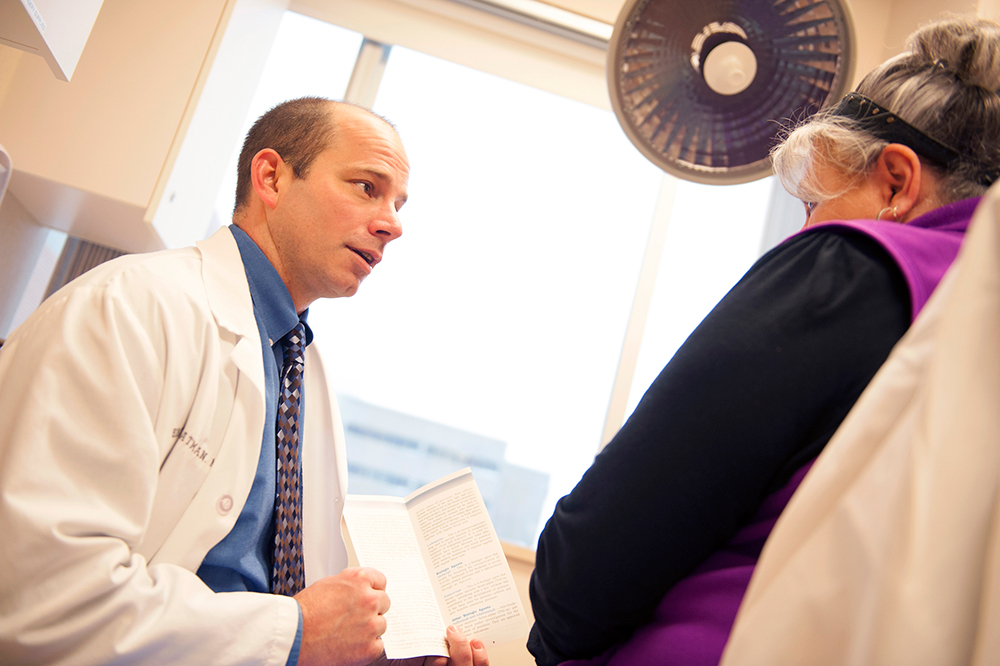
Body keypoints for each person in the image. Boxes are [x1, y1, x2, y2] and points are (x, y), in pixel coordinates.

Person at [527, 15, 1000, 666]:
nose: (798, 236)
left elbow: (594, 560)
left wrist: (551, 631)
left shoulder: (852, 267)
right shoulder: (973, 312)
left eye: (813, 204)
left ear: (895, 182)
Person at [0, 98, 489, 666]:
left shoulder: (304, 368)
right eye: (366, 187)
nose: (393, 224)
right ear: (271, 177)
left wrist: (377, 656)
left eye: (399, 204)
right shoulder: (127, 308)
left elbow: (292, 600)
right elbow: (38, 596)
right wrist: (296, 632)